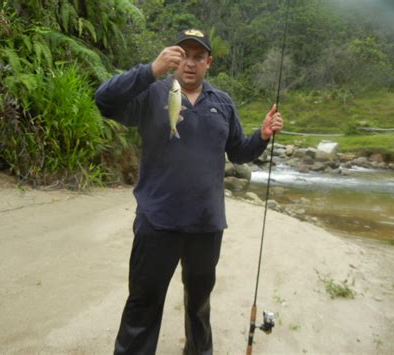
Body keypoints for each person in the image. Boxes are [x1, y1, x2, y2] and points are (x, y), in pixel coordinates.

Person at [95, 29, 283, 355]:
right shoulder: (154, 93)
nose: (190, 64)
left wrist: (262, 136)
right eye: (183, 56)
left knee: (199, 306)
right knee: (143, 304)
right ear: (173, 57)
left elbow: (238, 152)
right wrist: (150, 70)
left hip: (206, 226)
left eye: (198, 57)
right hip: (156, 222)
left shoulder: (222, 103)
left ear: (208, 62)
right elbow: (104, 100)